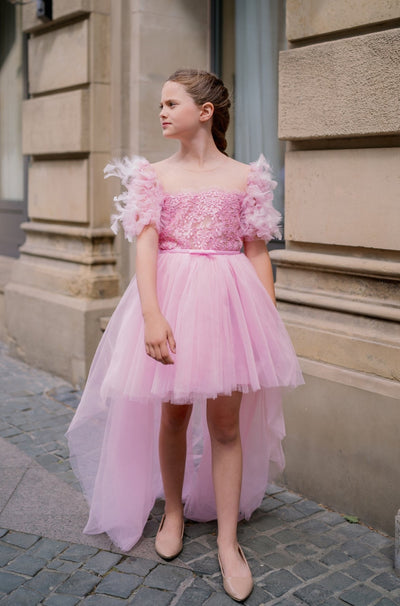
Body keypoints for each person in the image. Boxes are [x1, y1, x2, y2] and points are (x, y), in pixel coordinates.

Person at [66, 68, 303, 602]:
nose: (162, 112)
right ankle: (171, 512)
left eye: (172, 103)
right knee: (172, 413)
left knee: (225, 426)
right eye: (160, 105)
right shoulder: (153, 176)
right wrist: (152, 315)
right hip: (170, 300)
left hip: (229, 304)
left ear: (206, 111)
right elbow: (146, 248)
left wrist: (262, 325)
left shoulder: (246, 176)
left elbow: (256, 251)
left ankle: (227, 542)